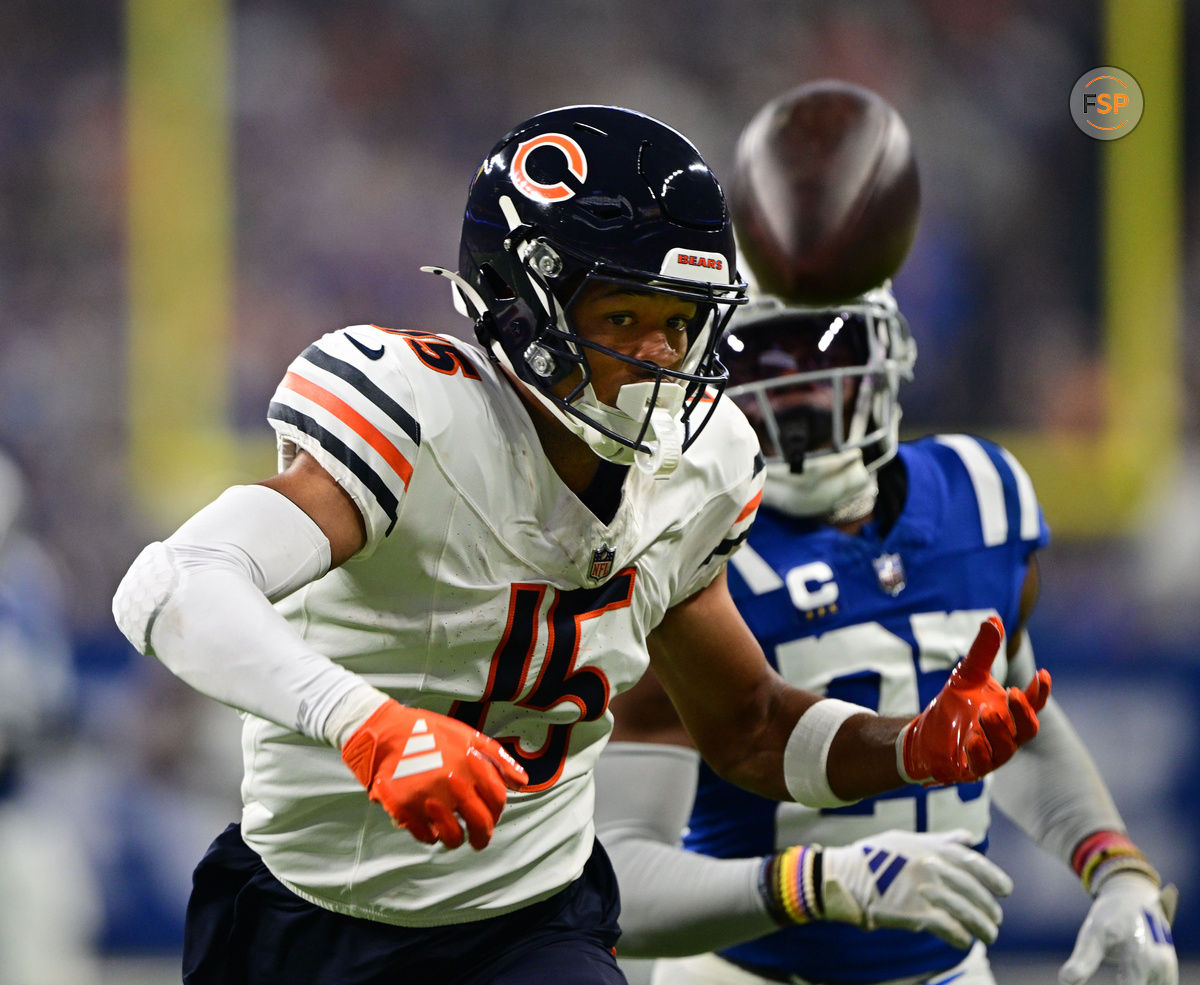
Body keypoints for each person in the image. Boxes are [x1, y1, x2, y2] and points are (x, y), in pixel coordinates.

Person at [112, 104, 1049, 985]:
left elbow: (752, 725)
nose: (661, 355)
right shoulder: (418, 417)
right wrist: (369, 724)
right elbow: (171, 584)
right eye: (624, 318)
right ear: (521, 310)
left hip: (532, 924)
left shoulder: (704, 464)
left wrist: (909, 745)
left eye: (680, 323)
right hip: (303, 913)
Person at [595, 82, 1179, 985]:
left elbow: (1011, 718)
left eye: (822, 352)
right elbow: (618, 885)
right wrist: (816, 881)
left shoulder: (982, 495)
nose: (793, 392)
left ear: (889, 351)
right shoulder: (682, 542)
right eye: (762, 359)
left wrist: (1117, 870)